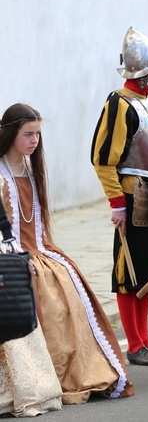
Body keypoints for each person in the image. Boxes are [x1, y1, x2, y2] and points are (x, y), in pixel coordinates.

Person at [1, 104, 133, 417]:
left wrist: (44, 252)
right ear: (9, 134)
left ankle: (68, 374)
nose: (34, 141)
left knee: (63, 279)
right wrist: (17, 258)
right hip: (10, 253)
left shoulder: (31, 170)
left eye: (37, 134)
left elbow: (39, 225)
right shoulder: (1, 174)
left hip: (39, 248)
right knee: (40, 287)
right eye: (27, 134)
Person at [91, 28, 148, 366]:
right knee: (128, 274)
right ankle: (133, 344)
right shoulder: (118, 104)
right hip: (131, 198)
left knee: (146, 271)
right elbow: (103, 158)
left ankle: (145, 339)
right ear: (146, 70)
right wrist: (117, 204)